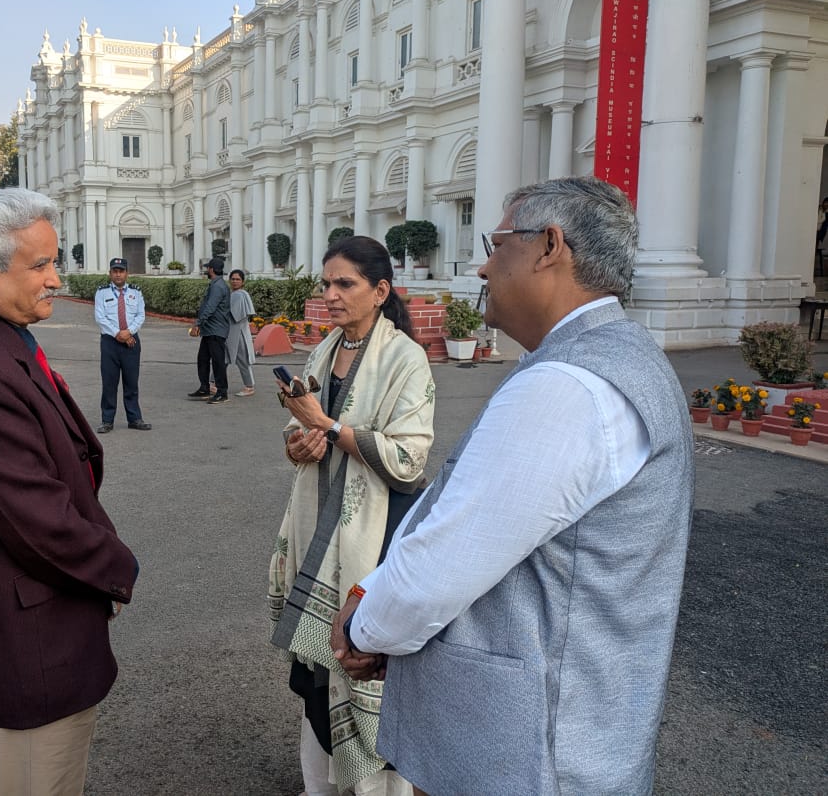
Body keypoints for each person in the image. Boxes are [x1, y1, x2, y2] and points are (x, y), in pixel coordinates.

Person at [331, 177, 695, 795]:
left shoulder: (570, 385)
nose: (482, 264)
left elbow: (448, 559)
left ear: (549, 246)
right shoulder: (615, 357)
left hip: (530, 753)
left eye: (496, 244)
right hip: (564, 733)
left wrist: (367, 626)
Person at [0, 188, 139, 796]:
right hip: (27, 648)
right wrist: (117, 568)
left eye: (54, 260)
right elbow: (35, 516)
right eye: (39, 265)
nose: (55, 278)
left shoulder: (3, 341)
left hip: (38, 632)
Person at [269, 235, 435, 796]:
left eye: (345, 284)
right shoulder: (326, 348)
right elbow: (304, 429)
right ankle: (320, 787)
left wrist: (329, 427)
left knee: (363, 669)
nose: (331, 295)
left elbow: (410, 461)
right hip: (319, 530)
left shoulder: (405, 358)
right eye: (326, 284)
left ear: (380, 291)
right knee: (317, 679)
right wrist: (300, 442)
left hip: (375, 537)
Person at [93, 257, 151, 433]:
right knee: (109, 383)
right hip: (110, 342)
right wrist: (119, 334)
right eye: (115, 271)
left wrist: (128, 332)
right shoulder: (101, 292)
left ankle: (134, 418)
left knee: (131, 382)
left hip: (131, 342)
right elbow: (100, 317)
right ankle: (107, 420)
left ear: (127, 273)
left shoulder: (136, 292)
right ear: (110, 273)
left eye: (121, 271)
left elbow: (140, 315)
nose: (118, 274)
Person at [187, 257, 231, 405]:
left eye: (208, 268)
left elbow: (210, 308)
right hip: (210, 330)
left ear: (211, 269)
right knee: (203, 359)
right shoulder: (216, 284)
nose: (207, 270)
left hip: (216, 330)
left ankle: (222, 392)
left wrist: (198, 324)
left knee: (218, 362)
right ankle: (204, 387)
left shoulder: (218, 286)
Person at [225, 268, 256, 397]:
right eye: (233, 279)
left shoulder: (239, 295)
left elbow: (234, 314)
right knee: (223, 358)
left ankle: (249, 386)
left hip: (238, 333)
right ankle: (213, 382)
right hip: (232, 332)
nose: (235, 281)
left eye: (238, 279)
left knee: (241, 360)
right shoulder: (236, 294)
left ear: (243, 281)